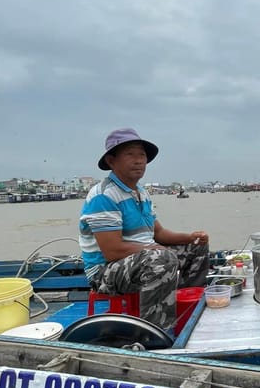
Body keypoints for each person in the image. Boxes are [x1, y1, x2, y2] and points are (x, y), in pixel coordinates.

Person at [79, 128, 209, 334]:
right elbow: (112, 251)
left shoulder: (142, 192)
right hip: (105, 272)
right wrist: (153, 249)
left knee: (196, 247)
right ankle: (155, 333)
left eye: (142, 155)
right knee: (161, 258)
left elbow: (159, 233)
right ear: (112, 161)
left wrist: (191, 237)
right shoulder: (104, 196)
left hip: (142, 258)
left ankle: (186, 307)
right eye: (130, 154)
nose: (139, 160)